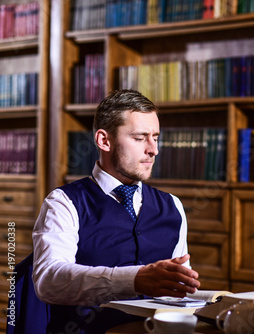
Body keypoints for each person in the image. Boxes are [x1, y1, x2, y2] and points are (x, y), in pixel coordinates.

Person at [32, 90, 201, 333]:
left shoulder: (172, 205)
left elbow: (176, 292)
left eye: (156, 137)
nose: (154, 150)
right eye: (140, 138)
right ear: (104, 141)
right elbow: (49, 280)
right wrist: (136, 279)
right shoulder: (63, 202)